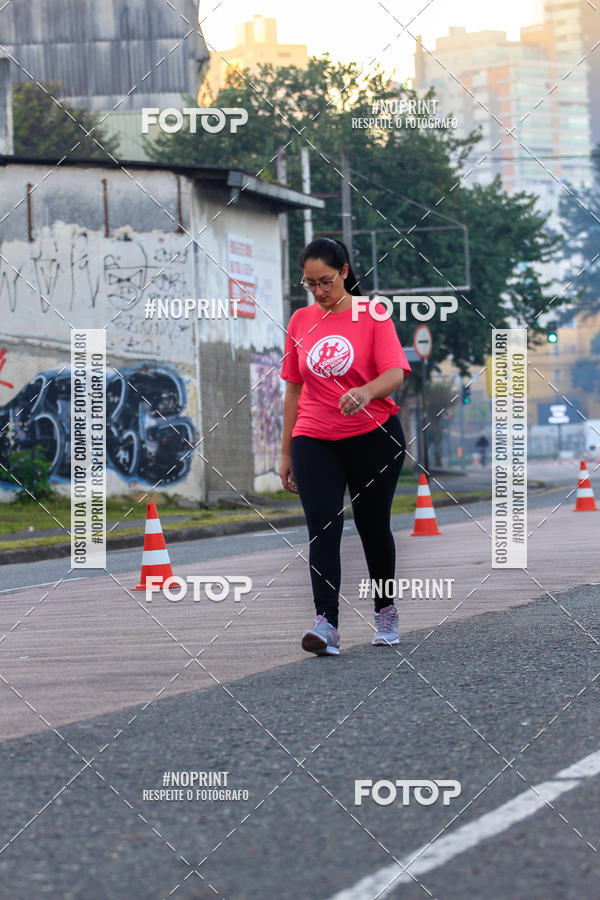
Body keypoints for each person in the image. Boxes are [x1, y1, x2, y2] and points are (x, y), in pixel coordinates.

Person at [279, 237, 412, 656]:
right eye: (310, 283)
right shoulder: (300, 321)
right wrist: (285, 452)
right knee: (323, 526)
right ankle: (326, 624)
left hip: (373, 436)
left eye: (326, 282)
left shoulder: (372, 314)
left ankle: (385, 610)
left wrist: (367, 392)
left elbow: (395, 373)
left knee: (372, 527)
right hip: (314, 435)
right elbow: (292, 392)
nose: (318, 291)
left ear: (345, 273)